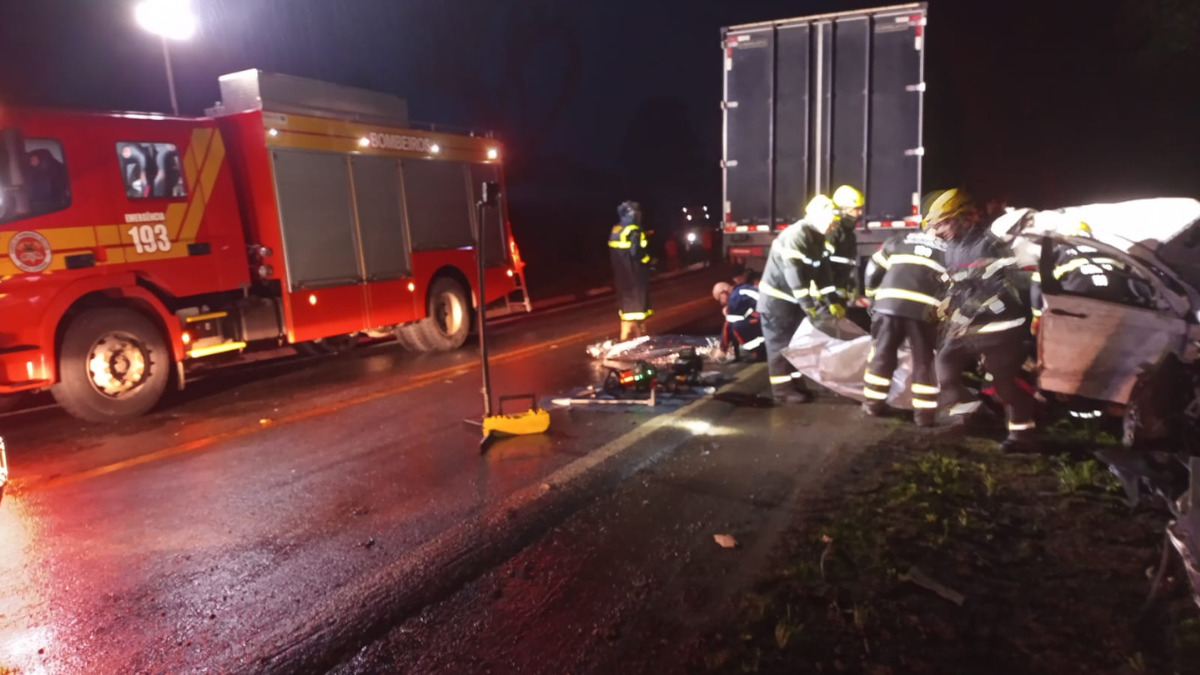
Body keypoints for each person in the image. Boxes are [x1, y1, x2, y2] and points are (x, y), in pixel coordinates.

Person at [929, 189, 1039, 452]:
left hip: (1001, 327)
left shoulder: (989, 245)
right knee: (945, 366)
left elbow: (1000, 288)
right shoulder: (952, 248)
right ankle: (969, 415)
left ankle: (1022, 436)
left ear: (962, 217)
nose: (937, 232)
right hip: (970, 326)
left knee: (1004, 384)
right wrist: (948, 303)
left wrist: (967, 313)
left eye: (942, 224)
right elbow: (959, 285)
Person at [757, 195, 846, 404]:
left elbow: (823, 275)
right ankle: (782, 392)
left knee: (793, 347)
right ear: (815, 216)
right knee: (779, 348)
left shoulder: (817, 238)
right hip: (776, 304)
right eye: (830, 219)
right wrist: (809, 307)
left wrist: (832, 301)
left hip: (792, 304)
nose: (833, 225)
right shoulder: (795, 235)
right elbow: (794, 275)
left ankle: (796, 386)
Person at [861, 218, 949, 426]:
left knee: (882, 353)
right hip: (924, 311)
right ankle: (924, 416)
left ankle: (872, 404)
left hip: (889, 305)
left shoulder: (899, 240)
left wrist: (872, 297)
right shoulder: (950, 251)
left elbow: (873, 269)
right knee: (925, 360)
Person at [609, 201, 653, 341]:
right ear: (633, 213)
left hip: (621, 275)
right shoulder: (634, 230)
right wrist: (648, 261)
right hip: (635, 273)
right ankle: (640, 337)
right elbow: (637, 252)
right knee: (638, 304)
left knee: (627, 306)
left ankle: (625, 336)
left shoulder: (617, 229)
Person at [714, 272, 765, 361]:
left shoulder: (734, 298)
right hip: (771, 317)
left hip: (768, 319)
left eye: (719, 299)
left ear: (723, 293)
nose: (721, 303)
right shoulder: (741, 290)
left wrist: (722, 349)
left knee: (737, 326)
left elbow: (728, 325)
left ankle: (757, 352)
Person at [829, 185, 865, 300]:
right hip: (829, 296)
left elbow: (848, 264)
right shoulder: (833, 232)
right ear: (844, 210)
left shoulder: (849, 234)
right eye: (856, 209)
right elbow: (823, 264)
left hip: (841, 292)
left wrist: (851, 285)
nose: (860, 213)